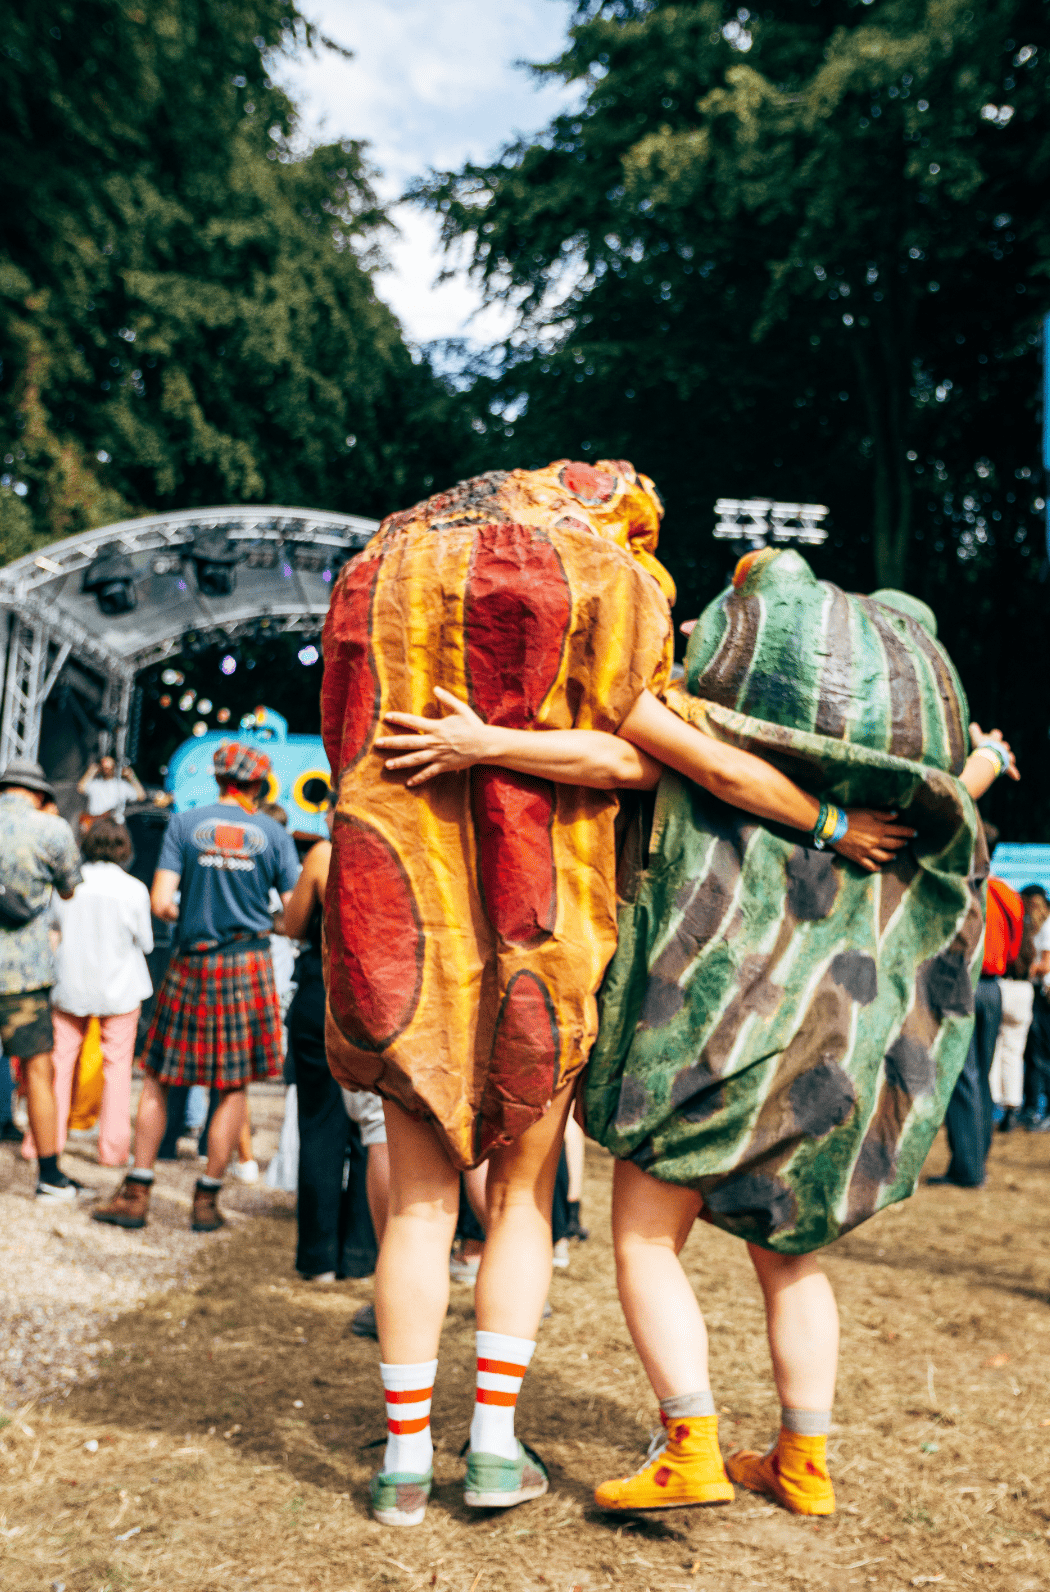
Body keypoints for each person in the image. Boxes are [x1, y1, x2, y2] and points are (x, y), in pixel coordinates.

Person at [321, 461, 911, 1529]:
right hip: (541, 929)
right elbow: (662, 760)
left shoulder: (384, 568)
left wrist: (467, 742)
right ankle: (493, 1450)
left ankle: (406, 1464)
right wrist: (831, 824)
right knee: (521, 1200)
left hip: (399, 924)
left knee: (413, 1207)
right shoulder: (602, 579)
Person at [91, 741, 299, 1232]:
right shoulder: (273, 833)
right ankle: (206, 1200)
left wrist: (199, 916)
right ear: (258, 784)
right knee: (232, 1087)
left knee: (160, 1077)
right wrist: (255, 920)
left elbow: (161, 902)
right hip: (246, 965)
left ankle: (138, 1192)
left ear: (219, 778)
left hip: (191, 962)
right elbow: (292, 916)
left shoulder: (185, 823)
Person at [281, 818, 390, 1318]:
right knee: (379, 1131)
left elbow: (294, 924)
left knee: (320, 1126)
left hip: (323, 996)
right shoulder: (400, 844)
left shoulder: (326, 854)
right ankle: (363, 1255)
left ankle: (320, 1258)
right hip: (379, 1000)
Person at [21, 818, 152, 1168]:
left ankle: (43, 1143)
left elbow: (52, 929)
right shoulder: (135, 889)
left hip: (70, 984)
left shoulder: (68, 887)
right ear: (124, 847)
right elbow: (147, 942)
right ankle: (113, 1152)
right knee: (118, 1071)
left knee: (58, 1066)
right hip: (121, 989)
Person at [0, 758, 83, 1200]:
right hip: (23, 975)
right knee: (37, 1071)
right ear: (41, 796)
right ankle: (50, 1177)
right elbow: (70, 888)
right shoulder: (51, 829)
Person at [934, 855, 1024, 1188]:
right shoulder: (1007, 893)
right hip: (994, 987)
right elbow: (1017, 946)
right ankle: (977, 1159)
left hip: (964, 984)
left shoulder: (963, 888)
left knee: (962, 1076)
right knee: (981, 1076)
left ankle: (967, 1170)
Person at [77, 755, 145, 824]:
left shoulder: (122, 785)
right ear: (100, 768)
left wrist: (131, 777)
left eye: (109, 767)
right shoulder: (95, 784)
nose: (107, 770)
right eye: (104, 767)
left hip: (114, 825)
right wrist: (90, 771)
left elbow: (141, 796)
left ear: (114, 768)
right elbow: (81, 788)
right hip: (95, 823)